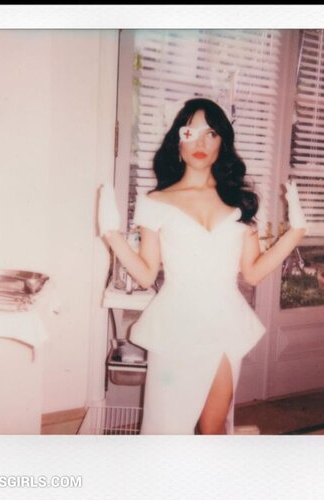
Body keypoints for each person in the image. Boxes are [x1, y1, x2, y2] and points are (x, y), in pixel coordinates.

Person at [98, 98, 306, 435]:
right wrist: (111, 234)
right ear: (178, 142)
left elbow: (253, 272)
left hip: (224, 326)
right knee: (167, 429)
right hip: (177, 327)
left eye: (211, 134)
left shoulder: (238, 201)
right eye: (191, 132)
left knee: (214, 427)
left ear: (222, 144)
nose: (201, 142)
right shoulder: (156, 202)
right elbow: (146, 274)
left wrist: (295, 233)